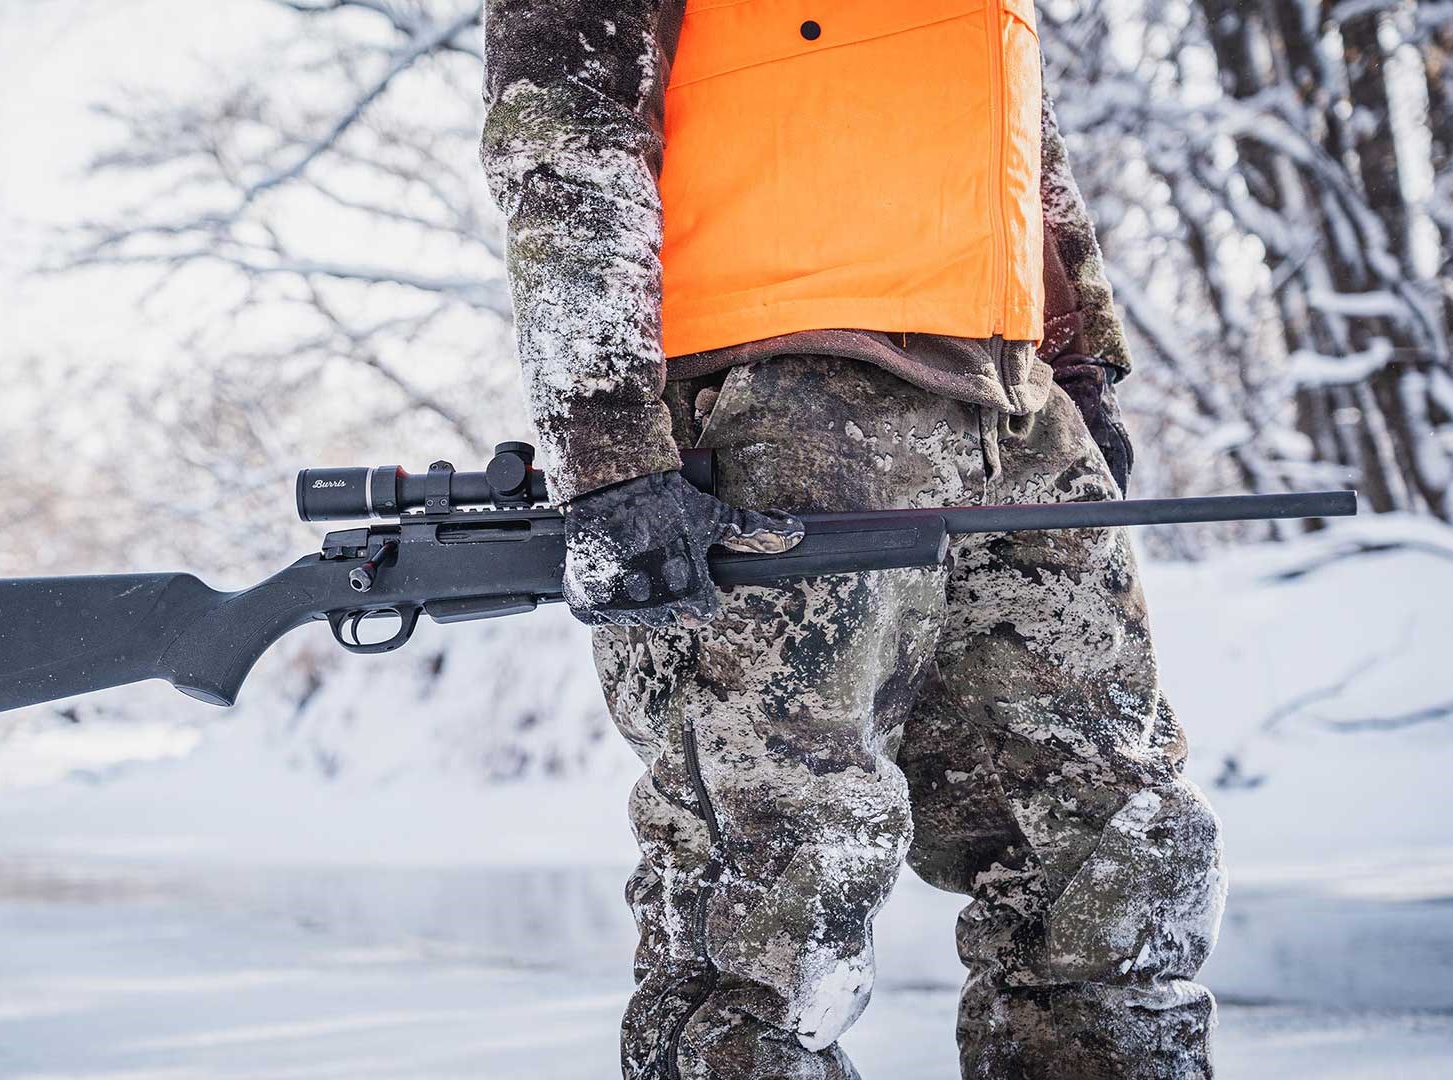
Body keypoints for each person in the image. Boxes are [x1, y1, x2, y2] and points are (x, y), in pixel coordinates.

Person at [479, 3, 1225, 1076]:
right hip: (777, 405)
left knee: (1114, 856)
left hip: (1014, 408)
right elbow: (561, 111)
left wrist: (1075, 355)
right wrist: (608, 445)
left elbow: (1002, 107)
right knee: (775, 900)